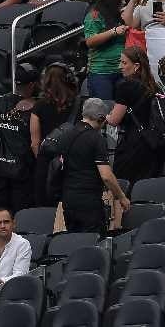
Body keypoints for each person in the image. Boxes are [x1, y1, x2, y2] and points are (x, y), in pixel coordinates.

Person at [61, 98, 130, 234]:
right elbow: (106, 176)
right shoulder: (96, 138)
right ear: (100, 118)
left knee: (74, 242)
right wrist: (121, 197)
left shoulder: (67, 134)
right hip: (88, 201)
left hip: (68, 200)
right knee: (92, 244)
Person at [0, 64, 39, 213]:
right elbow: (36, 146)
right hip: (23, 177)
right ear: (33, 84)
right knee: (21, 221)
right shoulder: (38, 109)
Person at [106, 47, 165, 182]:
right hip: (153, 144)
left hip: (134, 146)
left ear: (136, 66)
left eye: (124, 63)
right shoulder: (153, 86)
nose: (120, 66)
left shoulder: (125, 85)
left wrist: (104, 116)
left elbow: (114, 120)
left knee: (125, 188)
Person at [30, 63, 80, 207]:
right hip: (71, 164)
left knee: (44, 211)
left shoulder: (39, 106)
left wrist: (43, 161)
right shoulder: (79, 104)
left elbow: (35, 143)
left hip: (45, 165)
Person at [84, 0, 128, 100]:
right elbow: (90, 41)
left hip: (123, 71)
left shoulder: (121, 15)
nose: (124, 2)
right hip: (101, 73)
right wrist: (113, 31)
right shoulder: (94, 15)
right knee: (103, 111)